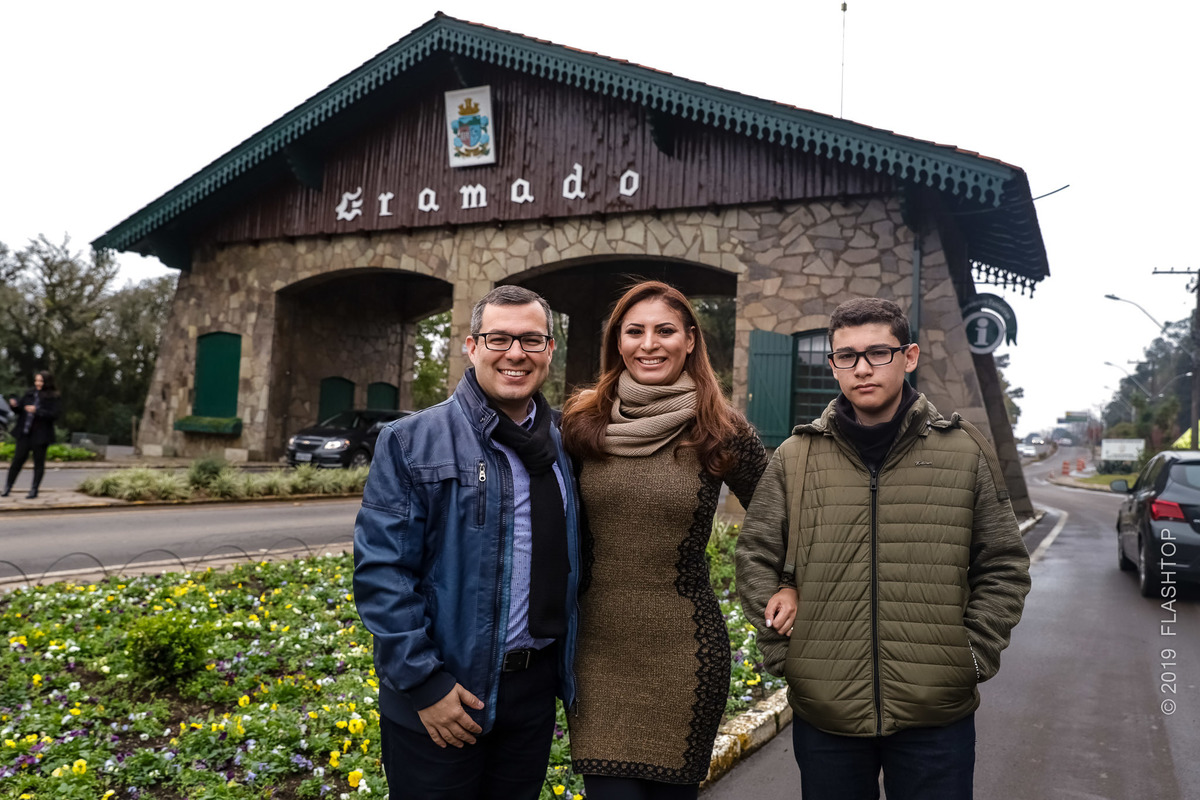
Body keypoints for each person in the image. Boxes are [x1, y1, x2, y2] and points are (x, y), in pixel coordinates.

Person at [735, 297, 1031, 800]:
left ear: (909, 356)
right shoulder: (795, 457)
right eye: (846, 356)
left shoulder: (963, 451)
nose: (863, 368)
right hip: (827, 715)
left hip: (936, 717)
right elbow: (755, 557)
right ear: (832, 365)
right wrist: (792, 658)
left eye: (879, 353)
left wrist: (970, 657)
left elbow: (1003, 565)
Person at [352, 285, 582, 800]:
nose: (515, 354)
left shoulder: (568, 443)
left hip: (531, 693)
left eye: (531, 340)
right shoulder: (411, 441)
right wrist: (424, 685)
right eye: (499, 338)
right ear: (472, 346)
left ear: (549, 350)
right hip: (444, 694)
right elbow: (382, 574)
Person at [560, 281, 768, 799]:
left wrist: (781, 587)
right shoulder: (581, 425)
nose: (649, 344)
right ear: (618, 342)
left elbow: (781, 519)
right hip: (597, 653)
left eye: (665, 331)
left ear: (691, 340)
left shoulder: (722, 429)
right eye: (635, 331)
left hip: (683, 653)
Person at [3, 371, 61, 499]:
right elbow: (20, 410)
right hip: (25, 432)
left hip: (40, 435)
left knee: (38, 463)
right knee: (17, 461)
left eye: (41, 381)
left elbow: (54, 415)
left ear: (47, 382)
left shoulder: (53, 397)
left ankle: (34, 489)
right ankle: (8, 487)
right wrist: (14, 405)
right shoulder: (30, 393)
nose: (38, 383)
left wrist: (37, 411)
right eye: (36, 381)